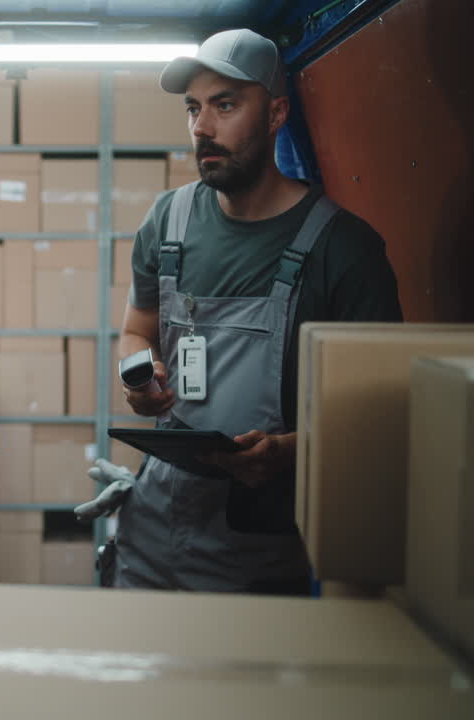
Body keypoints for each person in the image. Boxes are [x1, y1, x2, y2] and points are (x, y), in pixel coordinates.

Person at [112, 29, 402, 593]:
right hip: (150, 527)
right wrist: (139, 377)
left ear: (275, 114)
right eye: (193, 108)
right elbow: (135, 329)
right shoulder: (166, 223)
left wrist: (291, 452)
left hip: (256, 546)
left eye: (224, 104)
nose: (202, 127)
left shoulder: (343, 251)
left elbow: (385, 421)